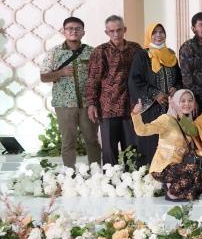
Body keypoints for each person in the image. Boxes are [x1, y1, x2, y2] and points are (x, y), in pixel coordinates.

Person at [39, 16, 101, 168]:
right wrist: (61, 72)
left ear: (83, 32)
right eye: (70, 28)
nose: (73, 31)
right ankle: (69, 174)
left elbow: (99, 77)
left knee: (92, 140)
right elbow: (43, 77)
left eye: (77, 29)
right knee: (68, 142)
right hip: (64, 105)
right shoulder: (55, 53)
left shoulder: (92, 52)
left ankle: (95, 173)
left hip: (88, 105)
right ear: (63, 31)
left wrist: (95, 102)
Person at [87, 14, 143, 165]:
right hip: (108, 107)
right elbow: (93, 79)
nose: (116, 34)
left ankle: (134, 177)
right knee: (109, 149)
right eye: (112, 31)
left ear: (125, 29)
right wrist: (91, 104)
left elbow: (143, 74)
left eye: (119, 30)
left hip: (131, 107)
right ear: (107, 32)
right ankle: (110, 178)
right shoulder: (100, 51)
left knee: (132, 147)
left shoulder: (135, 49)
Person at [130, 89, 202, 201]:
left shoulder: (188, 123)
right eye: (182, 101)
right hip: (163, 167)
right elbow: (142, 130)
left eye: (190, 100)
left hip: (179, 167)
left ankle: (173, 187)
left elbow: (189, 147)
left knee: (201, 182)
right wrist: (136, 114)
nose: (187, 104)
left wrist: (201, 153)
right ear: (175, 102)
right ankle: (172, 193)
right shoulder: (166, 119)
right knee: (194, 169)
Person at [129, 22, 182, 168]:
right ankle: (149, 172)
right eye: (154, 32)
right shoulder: (142, 55)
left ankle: (168, 172)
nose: (158, 35)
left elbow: (179, 77)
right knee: (150, 139)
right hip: (151, 107)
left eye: (161, 32)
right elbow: (135, 80)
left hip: (170, 108)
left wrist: (176, 88)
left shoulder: (171, 54)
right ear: (149, 35)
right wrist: (155, 94)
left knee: (169, 140)